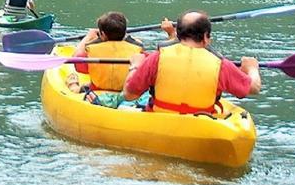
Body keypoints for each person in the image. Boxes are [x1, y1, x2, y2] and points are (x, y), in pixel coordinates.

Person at [122, 10, 261, 114]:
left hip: (161, 121)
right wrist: (252, 68)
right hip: (201, 123)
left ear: (179, 34)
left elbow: (129, 95)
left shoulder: (157, 58)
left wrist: (135, 66)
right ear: (206, 38)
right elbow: (253, 88)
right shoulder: (221, 64)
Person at [67, 12, 145, 108]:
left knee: (79, 88)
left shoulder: (92, 49)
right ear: (124, 33)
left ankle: (73, 86)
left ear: (102, 34)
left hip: (97, 94)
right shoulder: (137, 49)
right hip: (126, 94)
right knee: (87, 85)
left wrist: (88, 37)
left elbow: (77, 62)